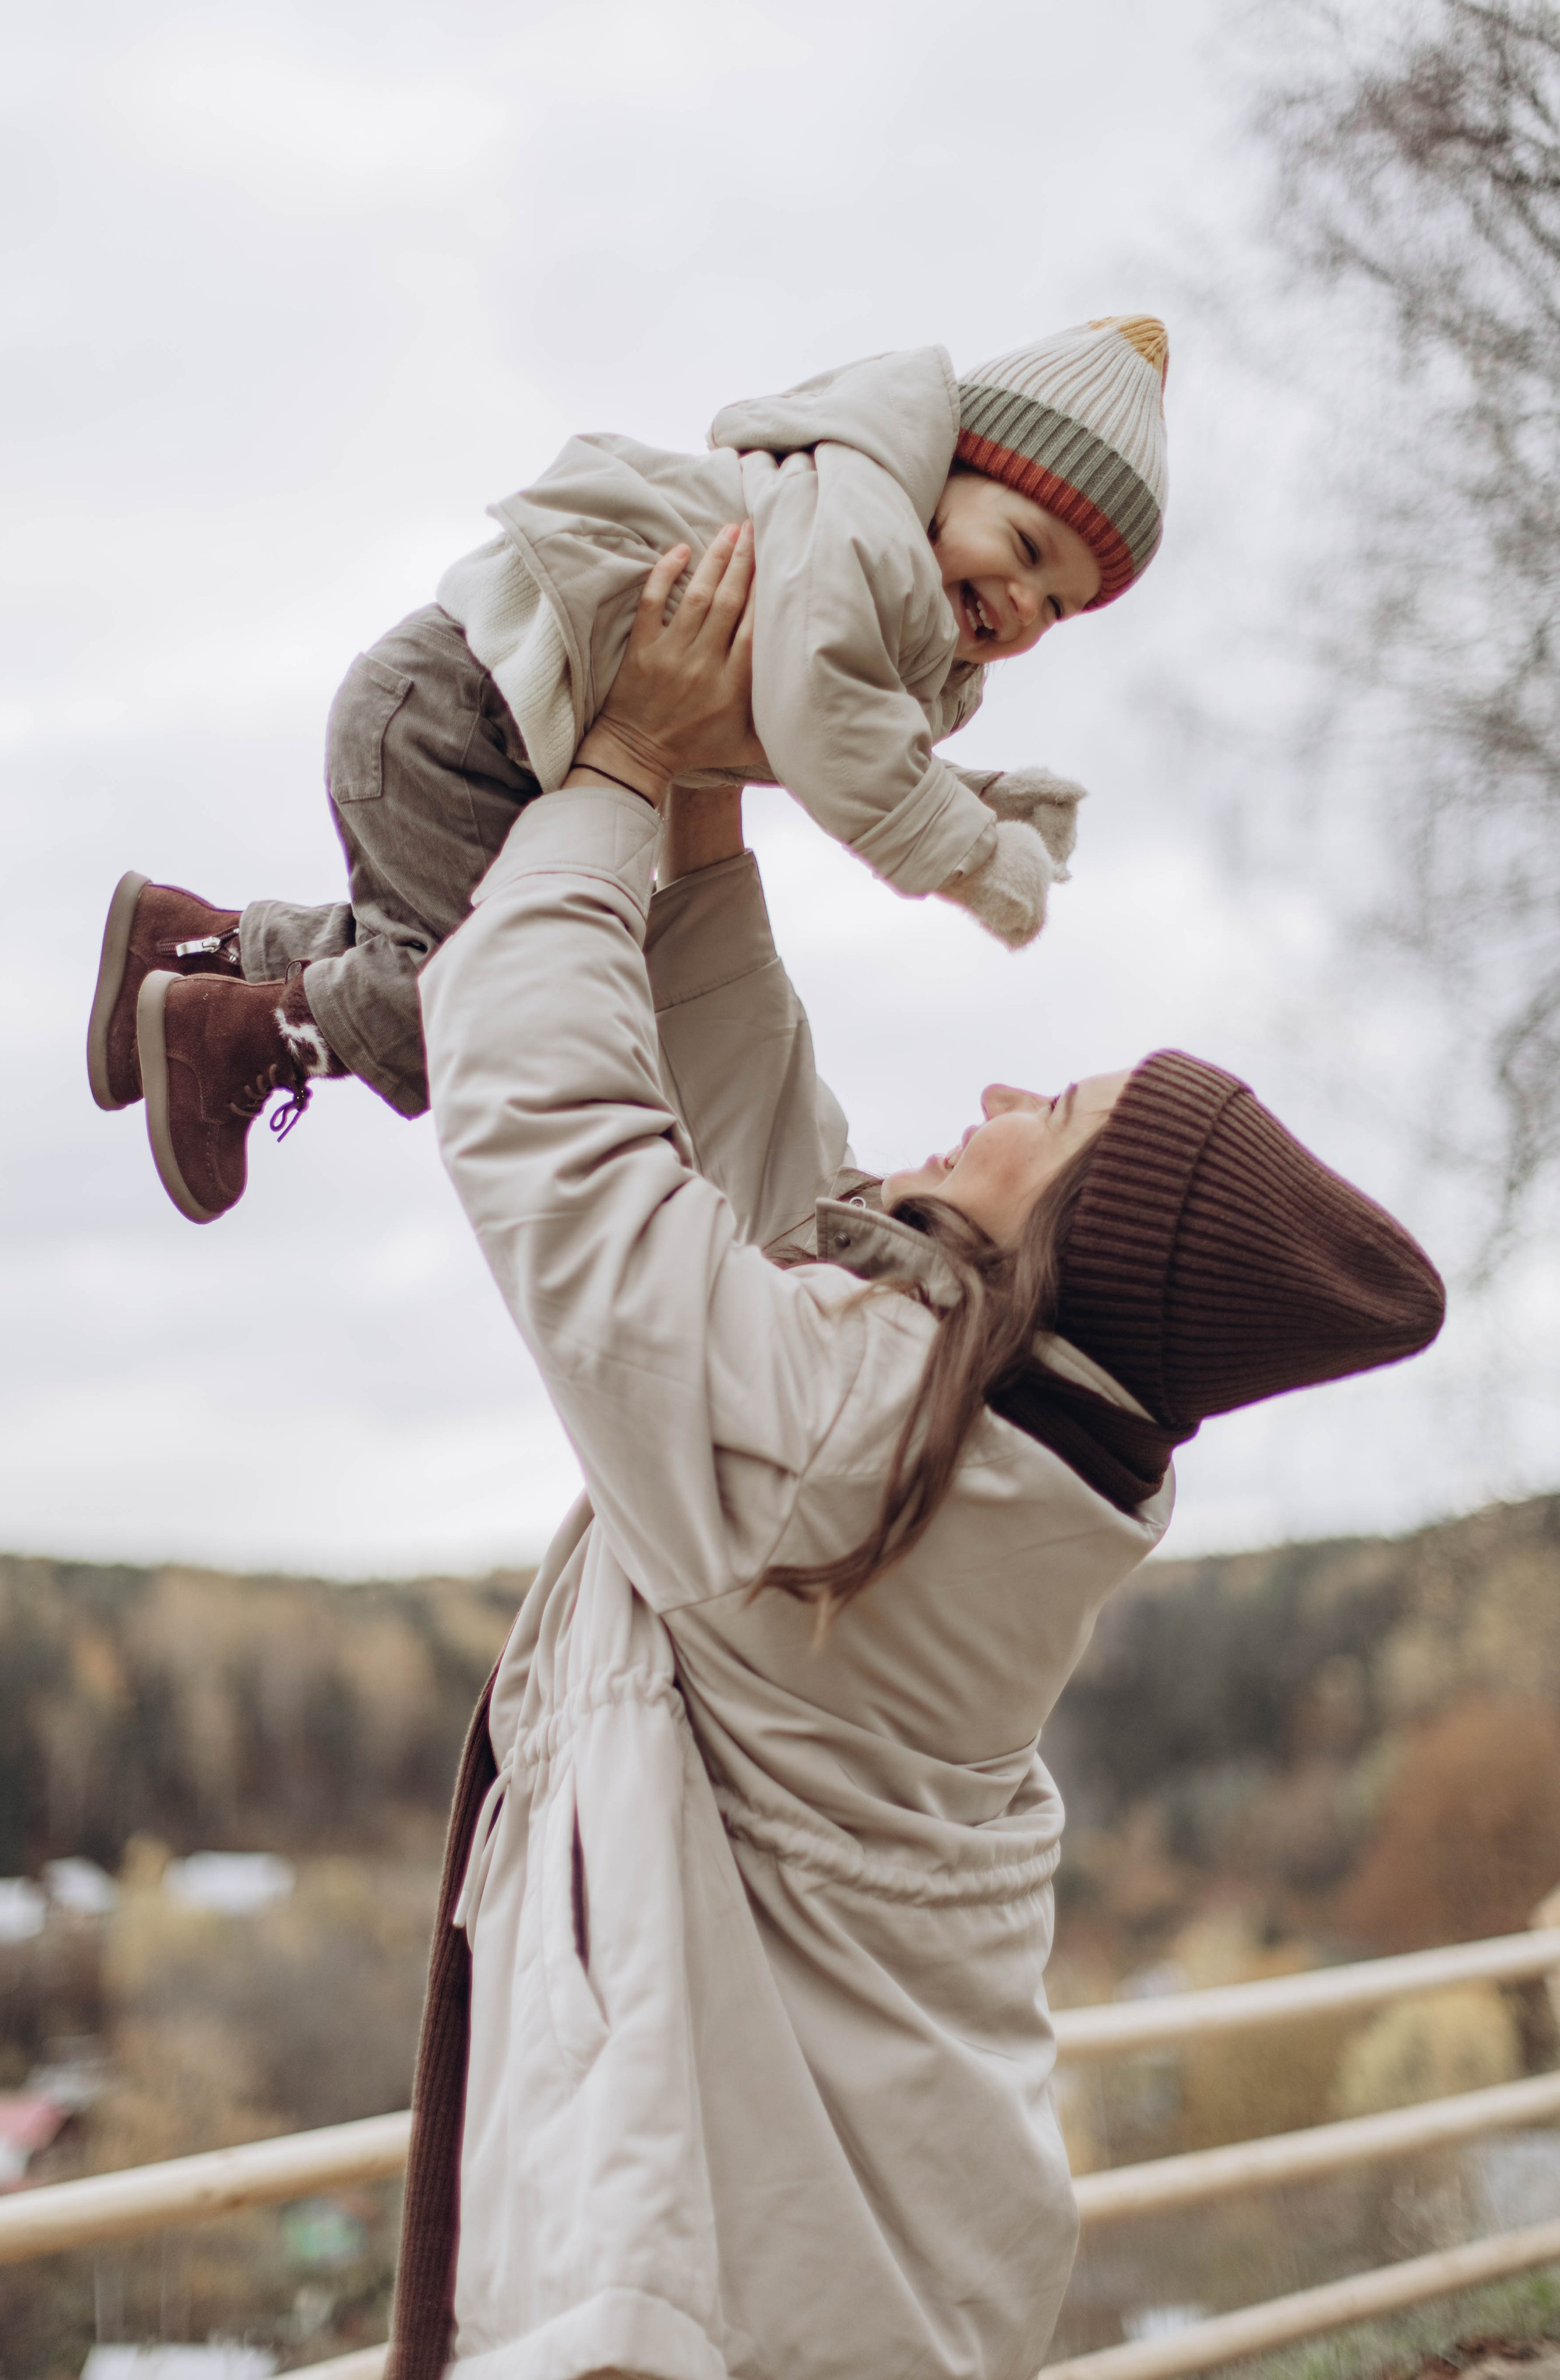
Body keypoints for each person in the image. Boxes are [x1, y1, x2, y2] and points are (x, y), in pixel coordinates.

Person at [383, 533, 1445, 2379]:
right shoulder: (1006, 1453)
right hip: (879, 2274)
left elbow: (553, 1143)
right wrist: (709, 818)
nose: (1015, 1093)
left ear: (1072, 1255)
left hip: (730, 2303)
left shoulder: (837, 1454)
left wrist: (623, 770)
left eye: (1067, 1114)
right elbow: (767, 1198)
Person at [86, 315, 1171, 1223]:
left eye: (1063, 606)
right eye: (1027, 551)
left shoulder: (876, 588)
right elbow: (829, 730)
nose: (1028, 607)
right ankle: (229, 1039)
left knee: (440, 956)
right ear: (957, 468)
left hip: (466, 716)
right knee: (489, 1001)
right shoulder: (863, 537)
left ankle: (191, 946)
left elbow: (809, 741)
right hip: (461, 719)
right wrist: (975, 858)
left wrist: (993, 801)